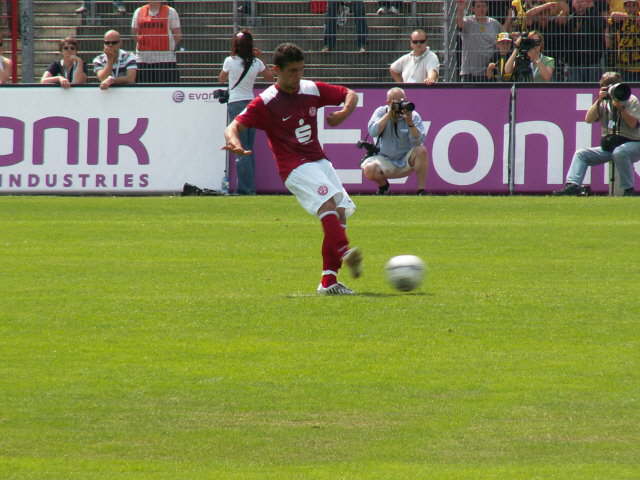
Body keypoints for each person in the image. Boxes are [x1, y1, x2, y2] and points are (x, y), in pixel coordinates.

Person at [223, 42, 363, 295]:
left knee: (340, 213)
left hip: (319, 161)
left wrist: (344, 112)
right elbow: (233, 126)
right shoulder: (266, 102)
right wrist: (234, 142)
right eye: (292, 71)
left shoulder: (310, 89)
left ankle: (329, 282)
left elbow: (350, 94)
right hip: (293, 167)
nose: (297, 76)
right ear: (276, 70)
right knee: (328, 206)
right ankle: (345, 251)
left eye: (300, 70)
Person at [554, 71, 640, 196]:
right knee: (581, 154)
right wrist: (599, 100)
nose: (610, 88)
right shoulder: (603, 101)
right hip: (611, 146)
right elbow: (588, 119)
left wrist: (620, 108)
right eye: (605, 85)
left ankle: (629, 190)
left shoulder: (630, 99)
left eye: (613, 85)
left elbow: (633, 124)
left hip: (634, 144)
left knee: (620, 152)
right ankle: (572, 186)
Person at [218, 30, 274, 195]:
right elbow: (270, 78)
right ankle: (249, 187)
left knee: (240, 147)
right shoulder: (256, 62)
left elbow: (221, 78)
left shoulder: (230, 61)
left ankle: (246, 189)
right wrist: (259, 57)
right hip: (251, 104)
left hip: (235, 103)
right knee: (248, 147)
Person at [361, 87, 428, 195]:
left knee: (421, 150)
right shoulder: (381, 112)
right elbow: (373, 131)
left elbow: (418, 141)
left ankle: (421, 190)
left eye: (403, 101)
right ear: (388, 102)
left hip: (407, 160)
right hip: (385, 160)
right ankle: (384, 187)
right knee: (369, 169)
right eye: (397, 102)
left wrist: (410, 123)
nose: (401, 105)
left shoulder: (413, 115)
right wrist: (388, 115)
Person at [131, 1, 182, 83]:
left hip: (166, 60)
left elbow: (177, 35)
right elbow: (134, 33)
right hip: (143, 59)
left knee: (167, 88)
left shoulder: (171, 11)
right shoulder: (139, 11)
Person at [456, 0, 503, 82]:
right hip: (469, 73)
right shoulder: (468, 21)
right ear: (473, 9)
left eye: (483, 6)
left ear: (487, 8)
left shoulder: (495, 24)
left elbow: (501, 42)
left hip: (488, 72)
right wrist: (460, 9)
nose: (481, 9)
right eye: (478, 6)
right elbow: (459, 23)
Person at [608, 0, 640, 82]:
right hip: (624, 60)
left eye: (633, 6)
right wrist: (627, 17)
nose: (631, 8)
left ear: (638, 7)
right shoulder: (620, 19)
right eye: (628, 6)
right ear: (624, 8)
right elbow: (612, 16)